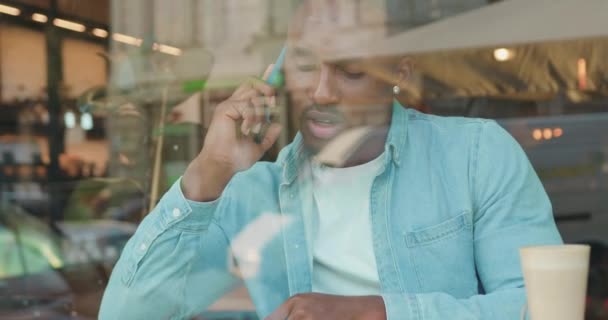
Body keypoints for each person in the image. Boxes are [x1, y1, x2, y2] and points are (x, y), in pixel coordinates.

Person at [99, 1, 562, 319]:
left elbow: (548, 307)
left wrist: (373, 311)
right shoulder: (249, 191)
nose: (321, 91)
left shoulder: (475, 157)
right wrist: (206, 172)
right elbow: (129, 312)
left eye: (351, 69)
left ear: (400, 70)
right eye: (304, 65)